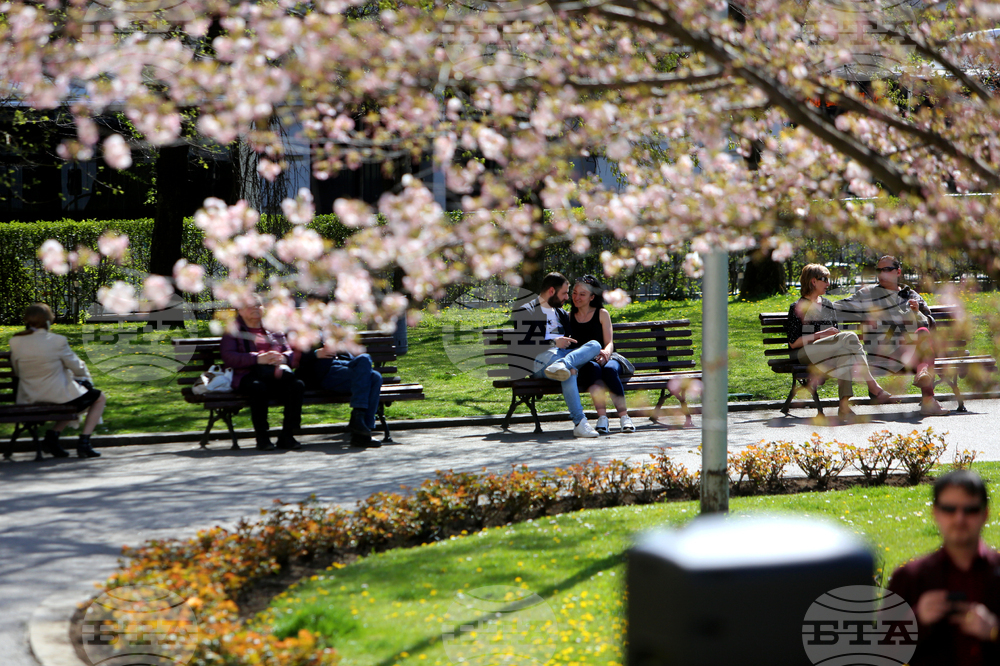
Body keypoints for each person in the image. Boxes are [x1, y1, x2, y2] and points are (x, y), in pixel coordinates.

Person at [887, 470, 1000, 665]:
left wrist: (993, 631)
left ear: (985, 514)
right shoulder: (911, 578)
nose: (959, 519)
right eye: (949, 509)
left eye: (970, 510)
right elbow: (882, 652)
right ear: (936, 513)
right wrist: (918, 619)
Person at [786, 264, 898, 420]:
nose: (828, 284)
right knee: (850, 337)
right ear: (813, 281)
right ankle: (872, 385)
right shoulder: (797, 307)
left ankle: (844, 407)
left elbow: (837, 338)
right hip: (805, 353)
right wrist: (821, 334)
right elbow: (793, 343)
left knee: (845, 353)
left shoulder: (828, 306)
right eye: (824, 279)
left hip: (828, 352)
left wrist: (830, 338)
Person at [839, 255, 946, 416]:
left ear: (898, 272)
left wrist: (917, 313)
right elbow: (840, 307)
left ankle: (924, 384)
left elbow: (929, 325)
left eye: (886, 269)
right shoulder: (868, 294)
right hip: (882, 352)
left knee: (923, 333)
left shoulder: (911, 295)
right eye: (879, 270)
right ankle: (927, 396)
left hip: (909, 351)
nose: (881, 274)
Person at [511, 272, 602, 438]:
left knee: (594, 345)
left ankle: (563, 365)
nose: (567, 297)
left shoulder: (560, 313)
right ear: (552, 291)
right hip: (538, 362)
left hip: (561, 359)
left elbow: (571, 341)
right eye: (564, 293)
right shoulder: (526, 310)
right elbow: (523, 344)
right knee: (569, 372)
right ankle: (580, 423)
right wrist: (553, 342)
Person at [8, 303, 105, 458]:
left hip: (29, 397)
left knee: (73, 398)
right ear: (48, 320)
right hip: (57, 396)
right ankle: (84, 442)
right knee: (98, 397)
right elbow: (77, 369)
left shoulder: (16, 341)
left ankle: (52, 437)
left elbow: (17, 370)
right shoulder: (57, 341)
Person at [221, 300, 304, 451]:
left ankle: (287, 435)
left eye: (258, 304)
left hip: (275, 373)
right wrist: (258, 358)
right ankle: (262, 437)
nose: (254, 308)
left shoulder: (273, 328)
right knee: (258, 388)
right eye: (249, 305)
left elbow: (289, 351)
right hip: (247, 375)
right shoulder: (233, 330)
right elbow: (228, 356)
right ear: (240, 310)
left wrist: (283, 358)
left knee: (297, 385)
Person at [567, 275, 634, 434]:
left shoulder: (602, 314)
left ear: (592, 297)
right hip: (587, 363)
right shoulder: (570, 317)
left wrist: (605, 352)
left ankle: (624, 417)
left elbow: (609, 342)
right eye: (575, 293)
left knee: (609, 369)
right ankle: (602, 417)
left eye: (582, 294)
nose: (577, 297)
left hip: (609, 357)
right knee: (593, 369)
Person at [298, 347, 383, 448]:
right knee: (374, 377)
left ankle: (361, 426)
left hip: (346, 364)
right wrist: (315, 353)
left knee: (367, 362)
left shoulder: (338, 333)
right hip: (326, 370)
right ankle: (362, 428)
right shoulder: (308, 332)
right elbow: (293, 356)